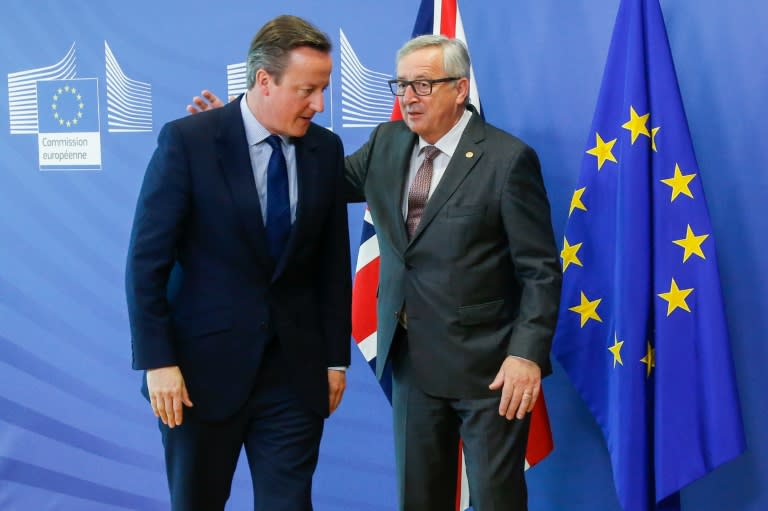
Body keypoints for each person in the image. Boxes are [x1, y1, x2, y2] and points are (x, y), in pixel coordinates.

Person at [190, 34, 561, 511]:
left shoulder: (507, 161)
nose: (408, 97)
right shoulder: (388, 142)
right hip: (411, 363)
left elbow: (541, 272)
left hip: (489, 370)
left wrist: (525, 356)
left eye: (423, 85)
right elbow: (315, 183)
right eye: (401, 85)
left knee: (495, 500)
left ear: (460, 89)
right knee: (419, 499)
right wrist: (240, 140)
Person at [126, 15, 351, 511]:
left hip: (293, 376)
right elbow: (146, 262)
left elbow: (332, 263)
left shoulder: (325, 149)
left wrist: (335, 357)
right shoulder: (189, 141)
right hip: (199, 378)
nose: (318, 104)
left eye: (324, 89)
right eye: (306, 90)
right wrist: (158, 362)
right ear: (264, 82)